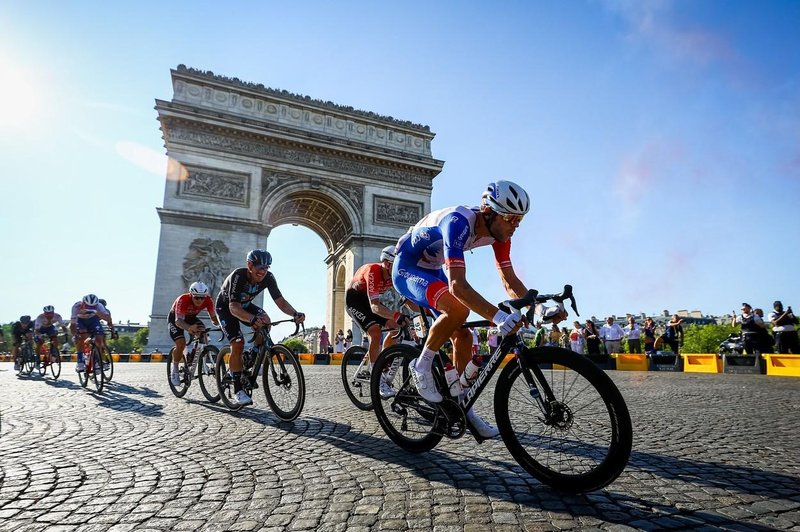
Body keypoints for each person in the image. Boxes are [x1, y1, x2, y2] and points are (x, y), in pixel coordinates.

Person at [391, 179, 552, 439]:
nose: (516, 225)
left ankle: (463, 407)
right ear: (488, 212)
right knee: (458, 310)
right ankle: (421, 368)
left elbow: (509, 281)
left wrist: (540, 310)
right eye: (511, 218)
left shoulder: (500, 233)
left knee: (464, 335)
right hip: (408, 267)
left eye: (520, 219)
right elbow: (458, 286)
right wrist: (498, 317)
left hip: (433, 271)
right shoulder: (458, 221)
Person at [216, 249, 305, 406]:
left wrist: (295, 314)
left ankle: (252, 354)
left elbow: (281, 302)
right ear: (250, 265)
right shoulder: (239, 276)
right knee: (237, 343)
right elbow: (234, 308)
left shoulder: (268, 278)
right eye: (260, 267)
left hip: (246, 305)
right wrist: (251, 319)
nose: (263, 271)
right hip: (227, 308)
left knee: (266, 321)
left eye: (267, 267)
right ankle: (238, 390)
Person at [345, 245, 410, 397]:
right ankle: (377, 377)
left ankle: (383, 360)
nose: (398, 268)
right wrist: (396, 315)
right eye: (395, 265)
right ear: (387, 263)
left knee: (395, 328)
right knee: (375, 332)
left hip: (372, 303)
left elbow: (407, 297)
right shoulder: (373, 270)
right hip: (355, 302)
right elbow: (374, 307)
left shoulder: (393, 276)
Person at [167, 281, 221, 387]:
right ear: (191, 295)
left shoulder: (208, 300)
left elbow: (214, 318)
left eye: (202, 298)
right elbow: (179, 322)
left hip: (191, 318)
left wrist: (223, 326)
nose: (200, 300)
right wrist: (189, 328)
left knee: (203, 332)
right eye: (196, 297)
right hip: (176, 319)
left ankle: (199, 358)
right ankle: (175, 369)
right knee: (181, 343)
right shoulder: (183, 299)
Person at [70, 294, 115, 372]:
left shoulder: (99, 306)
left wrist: (97, 312)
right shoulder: (76, 306)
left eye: (92, 307)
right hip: (80, 320)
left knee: (99, 339)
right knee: (82, 338)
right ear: (83, 303)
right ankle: (80, 361)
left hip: (93, 320)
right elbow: (73, 324)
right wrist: (75, 335)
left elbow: (108, 319)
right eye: (88, 306)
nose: (89, 309)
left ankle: (98, 359)